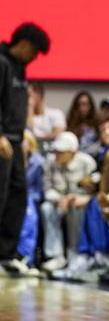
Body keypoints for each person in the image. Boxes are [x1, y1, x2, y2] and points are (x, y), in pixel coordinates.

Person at [0, 23, 50, 273]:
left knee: (17, 195)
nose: (34, 57)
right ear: (25, 43)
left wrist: (22, 135)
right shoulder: (2, 62)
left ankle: (6, 255)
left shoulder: (20, 68)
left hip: (15, 141)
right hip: (2, 140)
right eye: (34, 51)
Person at [40, 131, 97, 272]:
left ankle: (76, 253)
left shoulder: (86, 161)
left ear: (72, 152)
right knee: (46, 208)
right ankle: (55, 255)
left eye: (61, 151)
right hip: (58, 202)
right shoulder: (50, 161)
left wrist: (81, 195)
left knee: (75, 206)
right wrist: (61, 199)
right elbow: (47, 189)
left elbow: (96, 186)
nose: (57, 154)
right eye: (56, 150)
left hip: (81, 202)